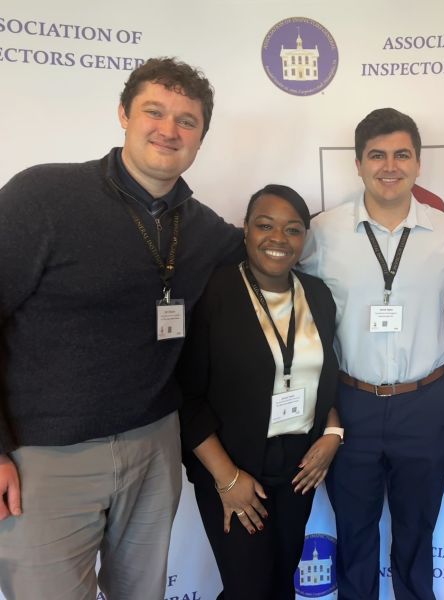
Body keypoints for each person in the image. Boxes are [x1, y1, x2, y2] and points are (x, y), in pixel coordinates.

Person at [0, 57, 243, 599]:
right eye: (154, 111)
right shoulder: (43, 196)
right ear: (123, 115)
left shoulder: (200, 226)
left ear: (201, 137)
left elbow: (269, 249)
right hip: (45, 459)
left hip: (154, 447)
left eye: (187, 120)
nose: (169, 129)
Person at [299, 107, 444, 600]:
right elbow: (298, 317)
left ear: (418, 163)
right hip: (352, 406)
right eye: (377, 155)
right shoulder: (323, 232)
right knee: (354, 534)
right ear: (358, 164)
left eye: (401, 155)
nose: (390, 166)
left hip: (424, 403)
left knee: (417, 533)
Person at [178, 184, 342, 600]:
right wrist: (227, 478)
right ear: (246, 229)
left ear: (304, 238)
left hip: (298, 469)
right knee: (247, 590)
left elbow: (324, 378)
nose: (278, 238)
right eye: (265, 225)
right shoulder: (212, 293)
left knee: (282, 586)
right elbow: (185, 394)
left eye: (293, 229)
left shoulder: (317, 295)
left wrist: (332, 434)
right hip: (233, 467)